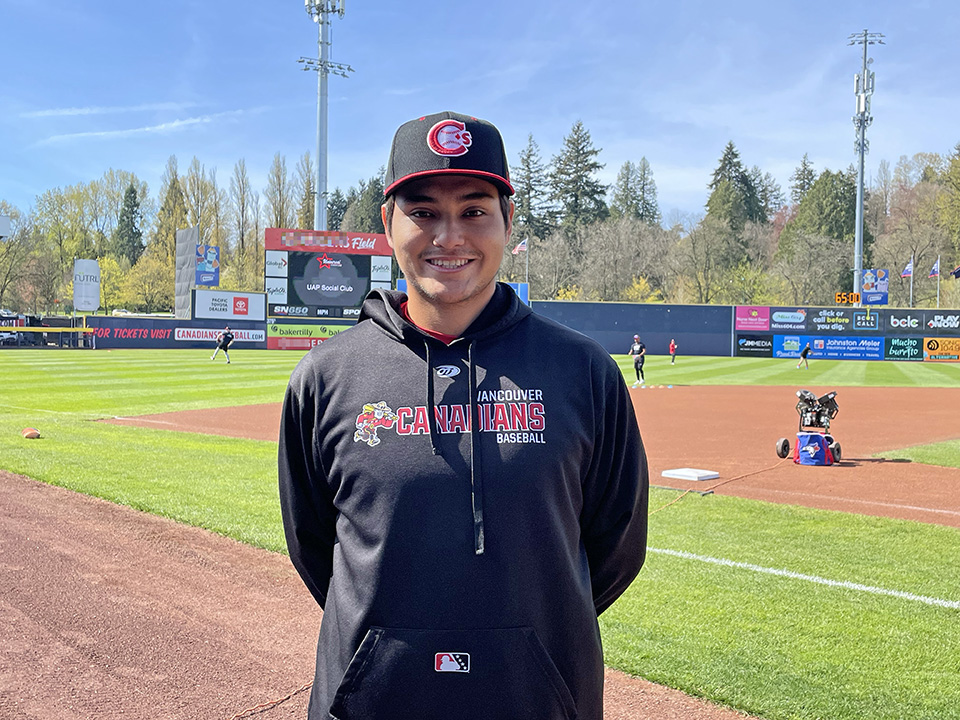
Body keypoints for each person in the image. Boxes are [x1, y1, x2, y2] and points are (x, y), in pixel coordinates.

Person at [279, 111, 649, 720]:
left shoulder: (583, 372)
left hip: (537, 703)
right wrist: (385, 647)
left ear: (508, 218)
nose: (448, 237)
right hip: (372, 704)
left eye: (474, 210)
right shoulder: (326, 377)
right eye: (423, 212)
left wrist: (525, 649)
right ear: (389, 223)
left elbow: (615, 549)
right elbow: (316, 546)